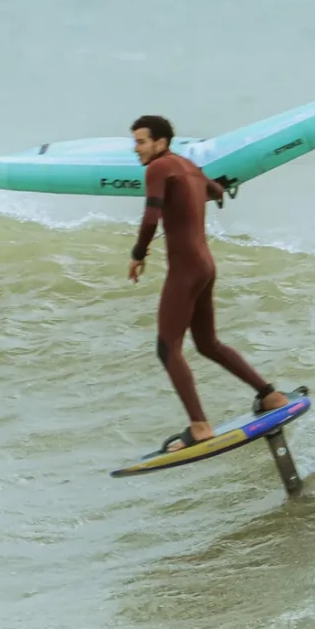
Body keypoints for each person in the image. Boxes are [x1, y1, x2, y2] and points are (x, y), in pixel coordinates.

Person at [125, 115, 291, 449]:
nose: (136, 148)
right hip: (205, 265)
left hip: (185, 269)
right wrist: (215, 189)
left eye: (141, 141)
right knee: (207, 343)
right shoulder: (188, 167)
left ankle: (199, 426)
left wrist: (138, 253)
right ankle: (269, 395)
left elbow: (150, 215)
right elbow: (216, 190)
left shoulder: (158, 168)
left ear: (161, 142)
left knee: (167, 347)